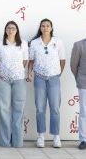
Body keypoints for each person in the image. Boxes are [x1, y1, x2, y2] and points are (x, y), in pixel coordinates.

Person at [27, 18, 65, 148]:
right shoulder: (34, 43)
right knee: (40, 108)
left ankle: (56, 137)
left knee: (55, 107)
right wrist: (30, 72)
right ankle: (41, 136)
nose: (45, 28)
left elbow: (62, 60)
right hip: (39, 78)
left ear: (51, 27)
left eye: (48, 26)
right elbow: (31, 60)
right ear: (40, 28)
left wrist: (58, 73)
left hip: (54, 78)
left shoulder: (58, 42)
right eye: (43, 26)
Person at [0, 21, 28, 147]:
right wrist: (1, 72)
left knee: (19, 109)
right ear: (5, 30)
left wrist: (18, 70)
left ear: (17, 30)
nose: (10, 30)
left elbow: (25, 60)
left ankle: (18, 141)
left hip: (19, 79)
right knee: (4, 109)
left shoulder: (23, 44)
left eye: (13, 28)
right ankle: (5, 141)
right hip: (3, 79)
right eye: (8, 28)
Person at [70, 38, 86, 150]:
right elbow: (73, 65)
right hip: (84, 82)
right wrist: (79, 79)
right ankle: (83, 139)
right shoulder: (79, 45)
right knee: (84, 111)